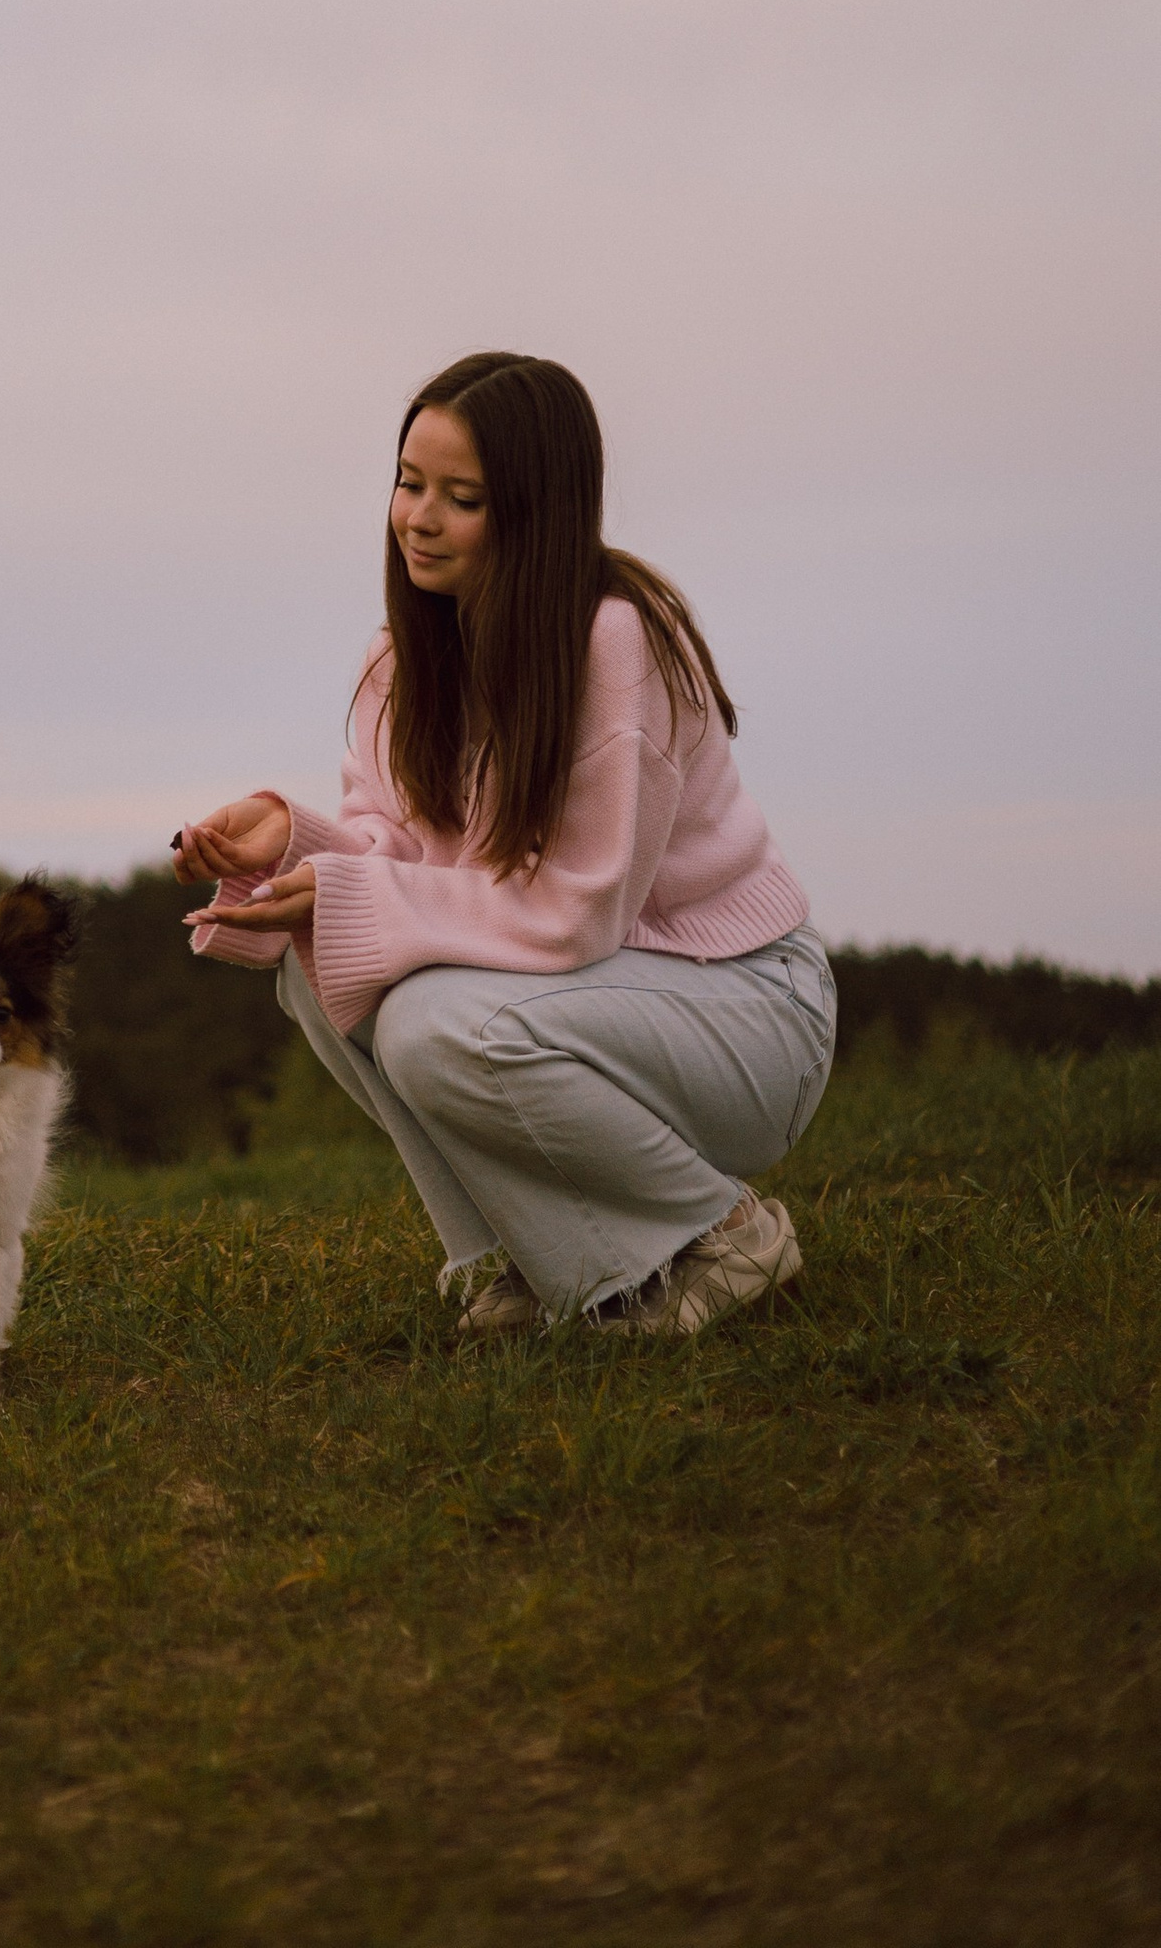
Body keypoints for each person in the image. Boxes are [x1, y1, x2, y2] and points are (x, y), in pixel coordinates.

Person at [175, 351, 833, 1336]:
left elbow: (577, 910)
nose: (418, 518)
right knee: (320, 965)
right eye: (409, 483)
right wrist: (295, 845)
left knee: (432, 1023)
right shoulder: (401, 660)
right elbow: (412, 865)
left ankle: (720, 1235)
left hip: (747, 1011)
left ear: (534, 512)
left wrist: (351, 892)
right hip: (603, 1002)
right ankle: (543, 1263)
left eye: (463, 499)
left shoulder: (615, 643)